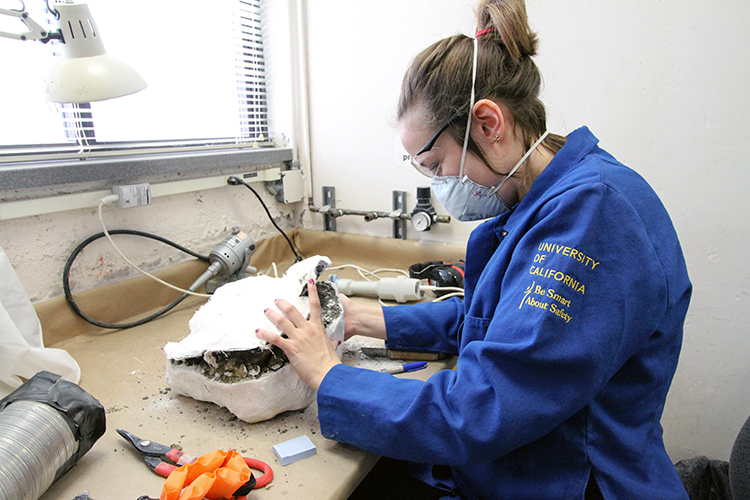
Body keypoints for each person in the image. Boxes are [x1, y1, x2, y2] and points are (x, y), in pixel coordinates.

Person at [255, 0, 692, 498]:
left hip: (572, 481)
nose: (440, 182)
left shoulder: (593, 219)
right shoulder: (539, 196)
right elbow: (495, 325)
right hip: (520, 464)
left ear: (488, 124)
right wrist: (364, 318)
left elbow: (479, 410)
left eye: (435, 161)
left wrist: (329, 375)